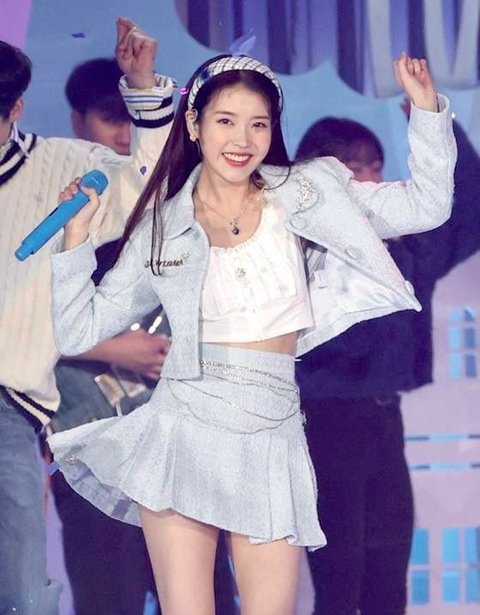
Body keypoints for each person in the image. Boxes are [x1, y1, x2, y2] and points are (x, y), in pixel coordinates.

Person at [47, 52, 456, 615]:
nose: (242, 140)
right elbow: (78, 329)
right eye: (225, 121)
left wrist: (429, 113)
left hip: (271, 432)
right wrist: (74, 241)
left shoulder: (309, 193)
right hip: (184, 428)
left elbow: (427, 206)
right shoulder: (165, 223)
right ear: (194, 124)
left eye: (258, 124)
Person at [0, 18, 175, 615]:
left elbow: (152, 186)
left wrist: (143, 87)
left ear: (16, 108)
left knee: (21, 592)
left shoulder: (66, 169)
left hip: (9, 408)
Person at [295, 115, 479, 615]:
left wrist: (436, 122)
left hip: (382, 421)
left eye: (376, 165)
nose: (373, 177)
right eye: (356, 167)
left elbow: (467, 211)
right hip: (324, 422)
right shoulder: (296, 246)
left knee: (388, 581)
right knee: (339, 582)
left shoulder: (404, 247)